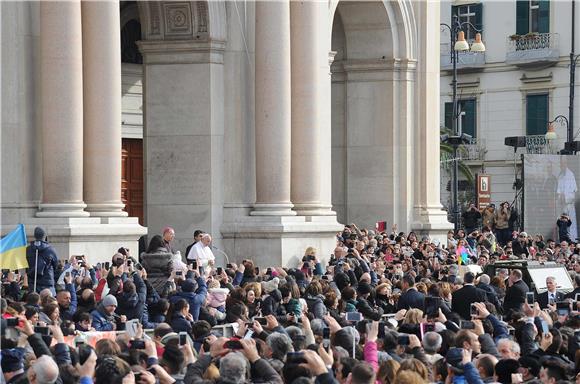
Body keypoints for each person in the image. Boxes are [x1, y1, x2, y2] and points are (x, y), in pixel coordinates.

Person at [26, 227, 59, 294]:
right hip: (47, 282)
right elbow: (56, 265)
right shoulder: (50, 249)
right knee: (49, 302)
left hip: (33, 281)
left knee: (34, 301)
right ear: (45, 236)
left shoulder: (28, 249)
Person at [556, 156, 578, 242]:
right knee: (561, 224)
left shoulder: (570, 174)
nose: (562, 165)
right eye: (561, 163)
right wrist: (560, 196)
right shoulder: (560, 175)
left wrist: (565, 197)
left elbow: (574, 191)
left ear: (566, 163)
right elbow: (558, 191)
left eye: (564, 163)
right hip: (561, 205)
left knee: (570, 226)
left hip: (569, 204)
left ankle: (572, 241)